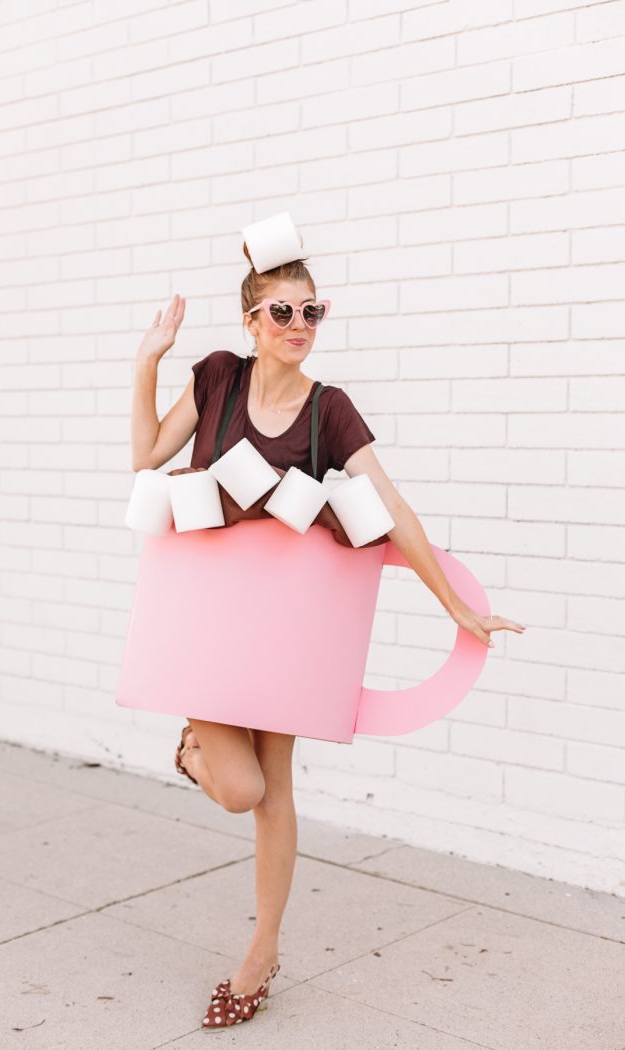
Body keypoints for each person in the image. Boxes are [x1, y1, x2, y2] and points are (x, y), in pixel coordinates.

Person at [130, 245, 526, 1028]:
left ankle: (262, 953)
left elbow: (392, 507)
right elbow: (147, 457)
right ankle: (191, 748)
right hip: (209, 626)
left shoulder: (329, 410)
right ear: (251, 321)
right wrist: (147, 361)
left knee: (274, 788)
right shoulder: (216, 378)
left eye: (313, 311)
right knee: (237, 788)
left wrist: (455, 606)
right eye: (283, 311)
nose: (299, 324)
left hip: (284, 636)